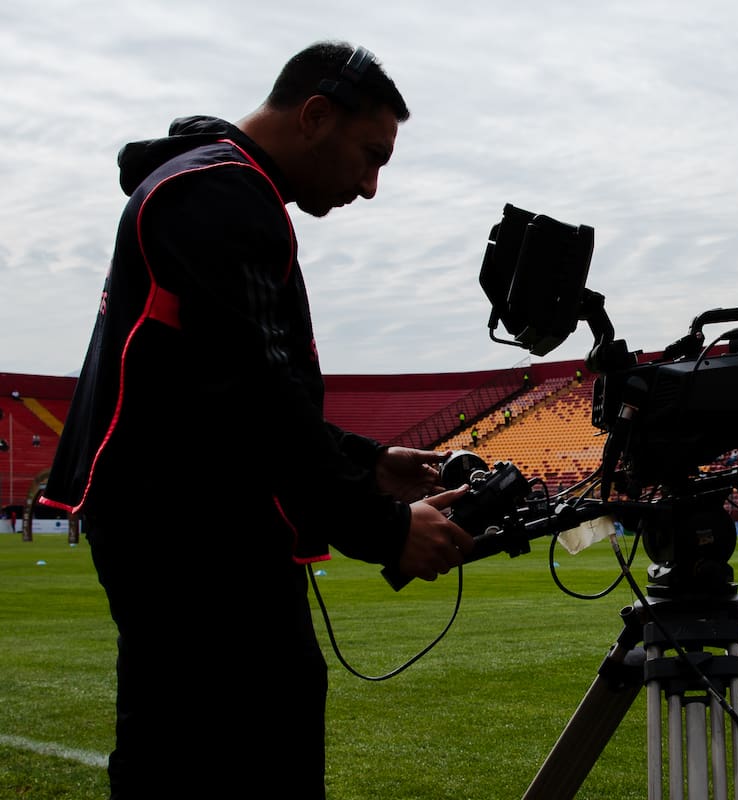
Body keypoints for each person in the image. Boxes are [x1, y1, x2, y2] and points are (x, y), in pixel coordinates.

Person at [39, 42, 475, 799]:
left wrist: (367, 460)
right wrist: (386, 530)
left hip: (177, 522)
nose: (370, 188)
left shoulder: (207, 184)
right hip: (193, 534)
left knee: (179, 748)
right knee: (249, 752)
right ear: (314, 116)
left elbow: (217, 381)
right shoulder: (220, 195)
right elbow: (257, 395)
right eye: (370, 156)